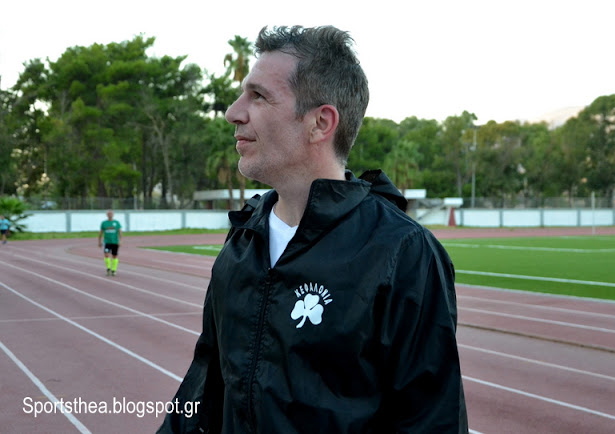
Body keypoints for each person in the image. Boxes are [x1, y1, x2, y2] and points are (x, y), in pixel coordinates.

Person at [158, 25, 467, 433]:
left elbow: (431, 421)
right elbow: (204, 389)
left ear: (320, 123)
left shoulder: (402, 251)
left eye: (258, 96)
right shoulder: (244, 238)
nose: (234, 112)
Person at [98, 209, 122, 275]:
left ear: (113, 215)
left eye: (111, 214)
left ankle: (114, 270)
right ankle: (108, 268)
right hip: (107, 242)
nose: (110, 215)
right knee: (106, 254)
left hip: (115, 242)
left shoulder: (116, 223)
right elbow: (101, 233)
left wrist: (120, 241)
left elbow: (120, 232)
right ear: (107, 215)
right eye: (108, 214)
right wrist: (99, 241)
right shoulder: (104, 223)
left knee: (114, 256)